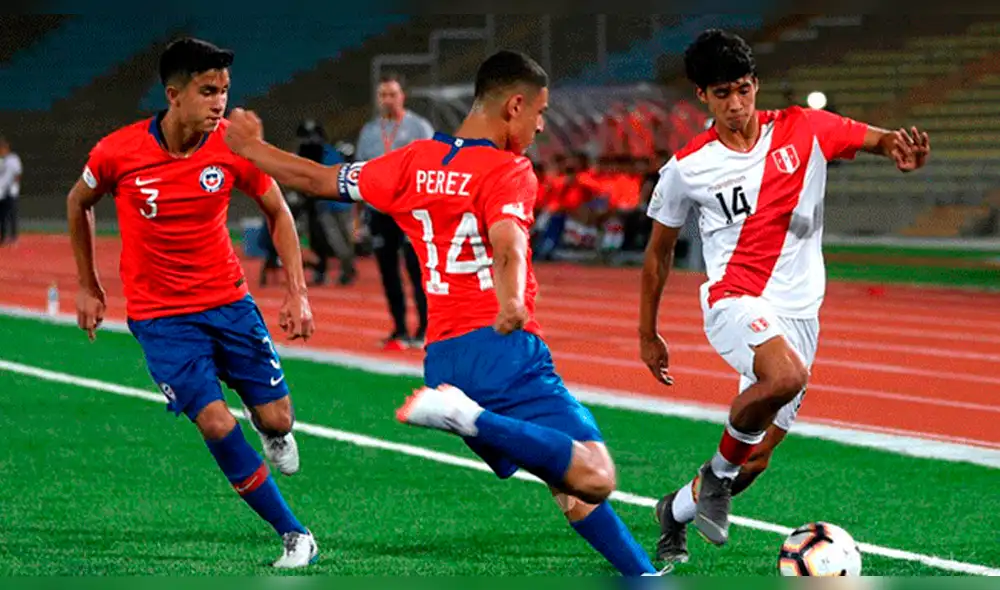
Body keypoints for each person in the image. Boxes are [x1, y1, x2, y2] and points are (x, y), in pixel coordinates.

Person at [224, 50, 666, 578]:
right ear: (515, 105)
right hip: (503, 351)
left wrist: (252, 148)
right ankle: (467, 417)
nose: (541, 125)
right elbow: (507, 243)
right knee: (595, 476)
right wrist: (510, 299)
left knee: (568, 485)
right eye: (539, 113)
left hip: (444, 360)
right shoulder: (508, 169)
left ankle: (642, 579)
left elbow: (319, 179)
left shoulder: (413, 162)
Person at [638, 29, 930, 564]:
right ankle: (715, 480)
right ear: (701, 96)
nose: (736, 104)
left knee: (757, 459)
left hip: (800, 315)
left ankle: (674, 511)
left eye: (744, 89)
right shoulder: (687, 168)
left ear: (756, 85)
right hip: (734, 299)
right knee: (784, 378)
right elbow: (659, 252)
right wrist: (647, 332)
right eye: (722, 93)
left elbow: (879, 138)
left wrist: (898, 148)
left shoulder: (805, 128)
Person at [66, 37, 319, 568]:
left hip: (229, 304)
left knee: (277, 419)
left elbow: (278, 211)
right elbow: (78, 201)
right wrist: (88, 285)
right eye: (208, 92)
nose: (219, 103)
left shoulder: (232, 146)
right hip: (162, 320)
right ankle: (295, 534)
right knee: (215, 423)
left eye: (224, 91)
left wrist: (297, 292)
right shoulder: (118, 152)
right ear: (173, 94)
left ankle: (272, 428)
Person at [356, 72, 434, 350]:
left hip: (411, 211)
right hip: (379, 212)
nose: (387, 99)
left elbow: (432, 166)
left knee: (418, 271)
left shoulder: (419, 127)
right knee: (388, 272)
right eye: (383, 95)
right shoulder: (368, 132)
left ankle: (426, 328)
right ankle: (399, 328)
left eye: (392, 94)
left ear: (403, 96)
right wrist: (358, 218)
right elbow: (360, 173)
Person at [0, 135, 23, 245]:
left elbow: (18, 174)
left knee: (12, 214)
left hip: (12, 191)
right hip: (1, 193)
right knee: (2, 216)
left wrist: (13, 185)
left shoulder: (14, 159)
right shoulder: (1, 160)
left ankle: (13, 237)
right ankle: (3, 237)